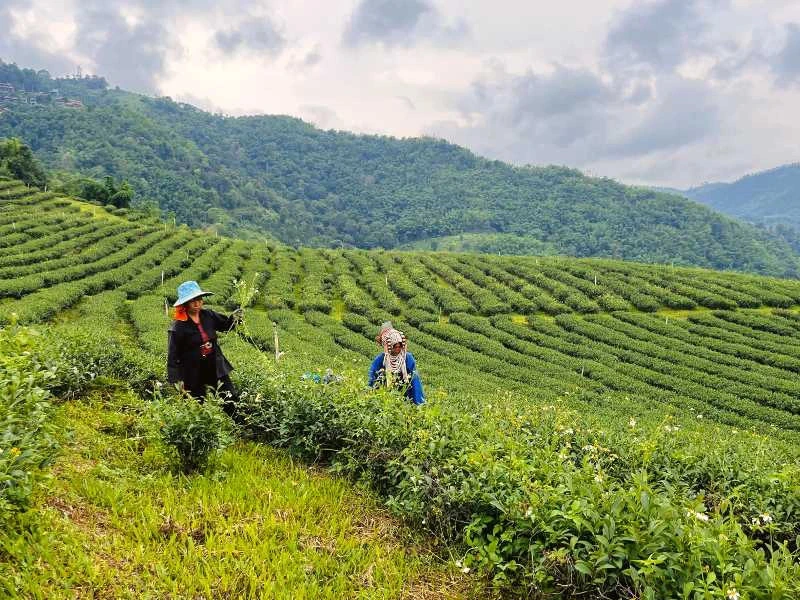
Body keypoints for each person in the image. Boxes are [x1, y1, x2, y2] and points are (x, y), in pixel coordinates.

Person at [167, 280, 242, 415]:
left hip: (214, 364)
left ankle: (239, 423)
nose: (197, 304)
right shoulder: (178, 327)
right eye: (192, 301)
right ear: (185, 303)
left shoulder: (208, 315)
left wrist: (235, 318)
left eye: (199, 299)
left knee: (230, 397)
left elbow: (226, 325)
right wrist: (177, 380)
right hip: (192, 370)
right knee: (195, 406)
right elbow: (173, 355)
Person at [368, 326, 425, 405]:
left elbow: (415, 382)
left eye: (399, 346)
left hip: (405, 396)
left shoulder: (407, 358)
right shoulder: (381, 360)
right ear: (389, 347)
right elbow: (372, 380)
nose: (398, 349)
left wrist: (418, 403)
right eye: (395, 347)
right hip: (385, 396)